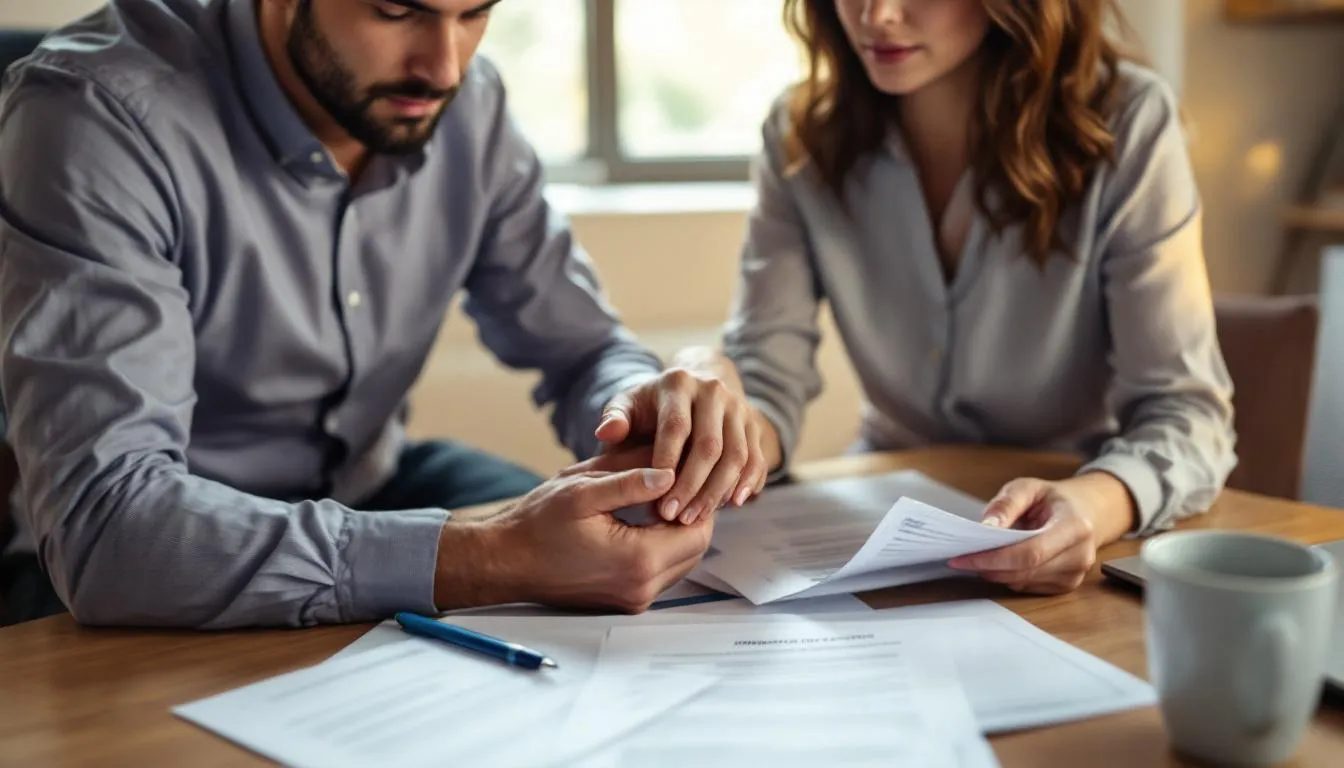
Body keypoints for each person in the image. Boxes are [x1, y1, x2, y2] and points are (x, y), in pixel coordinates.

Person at [0, 0, 768, 628]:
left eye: (475, 13)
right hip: (129, 556)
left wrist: (648, 412)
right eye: (397, 11)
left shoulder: (471, 105)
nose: (444, 67)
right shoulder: (96, 115)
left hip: (375, 486)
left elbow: (582, 350)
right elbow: (109, 528)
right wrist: (491, 555)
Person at [699, 0, 1236, 594]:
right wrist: (713, 426)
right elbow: (766, 385)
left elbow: (1188, 415)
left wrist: (1092, 504)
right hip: (873, 530)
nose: (877, 15)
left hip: (1074, 533)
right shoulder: (800, 135)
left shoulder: (1128, 121)